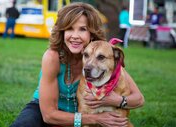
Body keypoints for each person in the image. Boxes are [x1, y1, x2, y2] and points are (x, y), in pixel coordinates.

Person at [10, 2, 144, 127]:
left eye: (82, 29)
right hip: (46, 111)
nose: (75, 35)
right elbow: (49, 115)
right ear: (62, 32)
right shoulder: (52, 57)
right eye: (69, 29)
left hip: (80, 115)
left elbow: (138, 99)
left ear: (91, 33)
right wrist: (96, 119)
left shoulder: (105, 59)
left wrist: (115, 100)